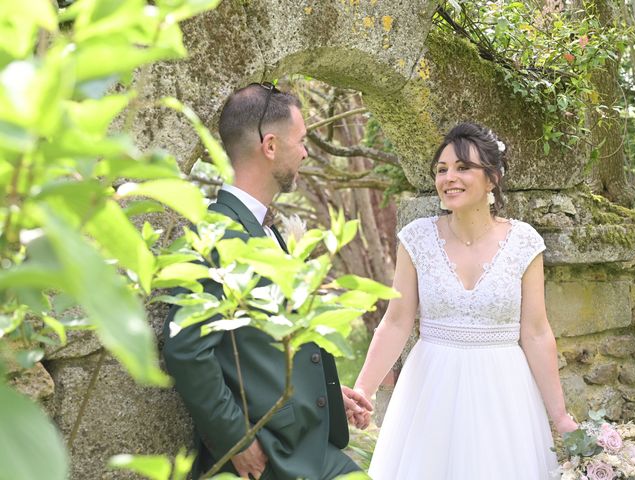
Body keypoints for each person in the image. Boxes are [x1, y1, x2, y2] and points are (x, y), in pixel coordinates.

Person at [162, 83, 372, 480]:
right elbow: (186, 351)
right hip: (272, 455)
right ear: (271, 146)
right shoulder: (216, 234)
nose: (306, 151)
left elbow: (266, 345)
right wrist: (236, 440)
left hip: (309, 445)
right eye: (302, 140)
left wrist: (325, 397)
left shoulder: (266, 230)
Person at [353, 122, 578, 479]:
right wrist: (362, 391)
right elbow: (396, 322)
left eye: (462, 167)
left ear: (492, 179)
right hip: (431, 390)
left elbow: (535, 332)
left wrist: (561, 417)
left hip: (504, 392)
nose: (449, 177)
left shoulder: (524, 242)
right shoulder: (417, 239)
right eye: (442, 170)